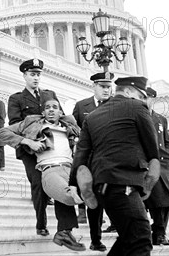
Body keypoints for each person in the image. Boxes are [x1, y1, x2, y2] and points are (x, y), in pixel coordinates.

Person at [70, 76, 160, 256]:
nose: (144, 100)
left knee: (128, 237)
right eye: (141, 95)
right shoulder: (137, 107)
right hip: (125, 182)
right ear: (128, 92)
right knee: (141, 237)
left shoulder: (93, 116)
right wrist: (151, 173)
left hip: (101, 184)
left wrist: (73, 184)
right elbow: (152, 149)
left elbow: (81, 152)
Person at [0, 99, 86, 251]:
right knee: (68, 195)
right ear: (43, 113)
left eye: (55, 107)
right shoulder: (32, 124)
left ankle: (64, 232)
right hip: (49, 169)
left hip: (70, 169)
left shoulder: (70, 127)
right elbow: (2, 133)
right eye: (47, 108)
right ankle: (83, 200)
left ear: (61, 112)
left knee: (71, 192)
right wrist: (28, 142)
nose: (51, 110)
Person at [7, 58, 60, 237]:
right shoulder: (16, 99)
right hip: (29, 149)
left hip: (50, 147)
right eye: (32, 74)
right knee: (37, 182)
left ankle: (62, 226)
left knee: (55, 181)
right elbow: (15, 123)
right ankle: (41, 224)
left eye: (38, 74)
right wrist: (34, 131)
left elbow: (60, 116)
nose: (35, 78)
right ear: (24, 76)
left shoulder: (49, 95)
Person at [71, 71, 113, 251]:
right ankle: (96, 239)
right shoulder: (81, 106)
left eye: (109, 86)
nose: (106, 90)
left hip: (111, 161)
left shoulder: (116, 106)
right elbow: (73, 130)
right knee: (93, 200)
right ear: (93, 86)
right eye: (102, 86)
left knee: (112, 198)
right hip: (89, 162)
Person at [144, 99, 169, 246]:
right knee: (157, 200)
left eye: (149, 98)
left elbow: (168, 141)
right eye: (144, 97)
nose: (147, 101)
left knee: (167, 201)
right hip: (148, 163)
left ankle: (160, 233)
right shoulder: (139, 116)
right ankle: (159, 234)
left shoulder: (161, 119)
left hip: (164, 164)